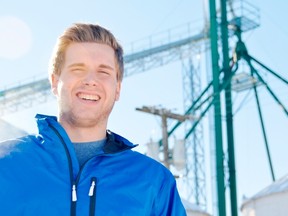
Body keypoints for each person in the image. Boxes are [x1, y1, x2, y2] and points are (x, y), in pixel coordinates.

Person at [0, 23, 186, 215]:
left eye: (103, 72)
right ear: (55, 82)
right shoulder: (5, 164)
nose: (90, 80)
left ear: (118, 89)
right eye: (78, 69)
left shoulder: (154, 181)